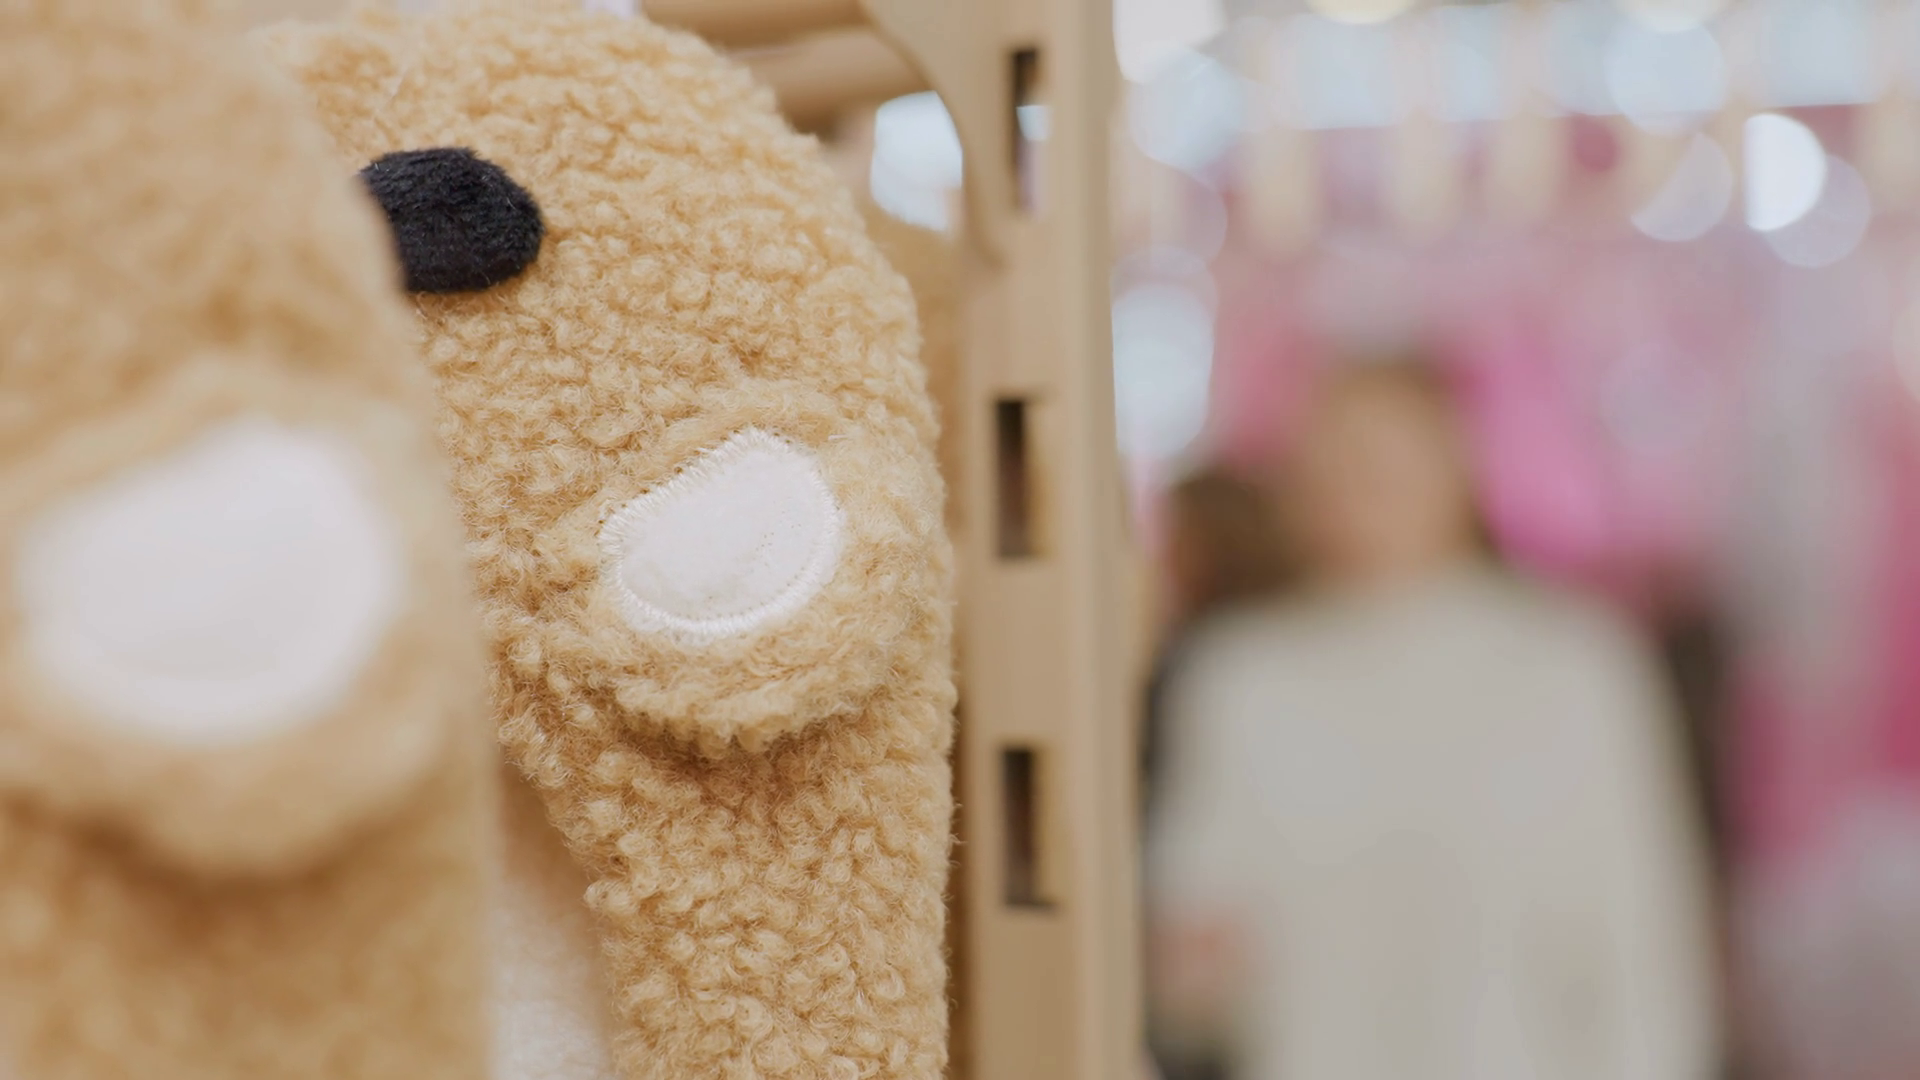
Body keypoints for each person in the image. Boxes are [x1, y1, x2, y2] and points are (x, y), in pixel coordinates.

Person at [1144, 358, 1719, 1080]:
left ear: (1459, 468)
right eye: (1334, 465)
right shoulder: (1241, 678)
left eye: (1384, 464)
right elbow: (1193, 951)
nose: (1358, 492)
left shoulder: (1571, 667)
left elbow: (1643, 937)